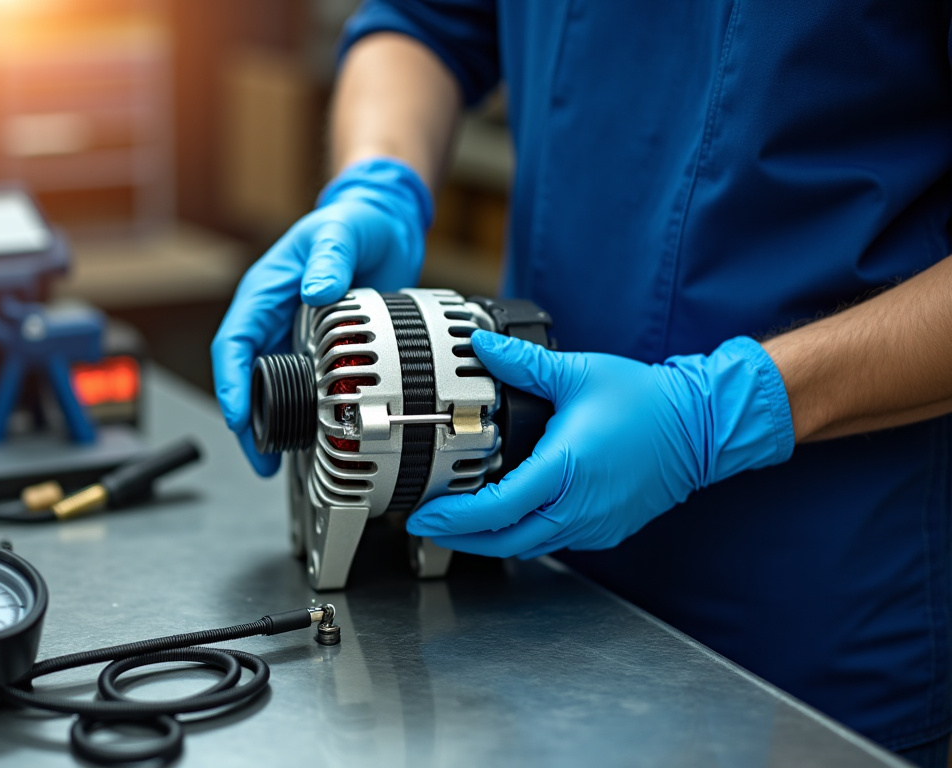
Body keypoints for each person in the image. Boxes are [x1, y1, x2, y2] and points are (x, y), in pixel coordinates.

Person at [210, 2, 952, 764]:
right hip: (534, 594)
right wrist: (380, 177)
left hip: (805, 625)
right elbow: (423, 22)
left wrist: (718, 411)